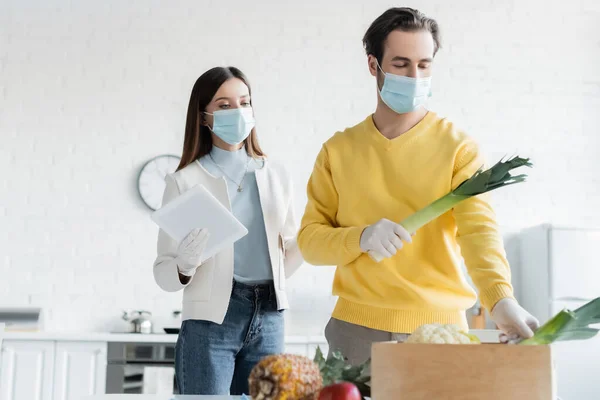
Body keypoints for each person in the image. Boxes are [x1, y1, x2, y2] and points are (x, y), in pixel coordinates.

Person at [297, 7, 539, 365]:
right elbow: (310, 242)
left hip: (440, 334)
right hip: (354, 331)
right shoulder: (338, 151)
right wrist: (361, 237)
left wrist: (500, 300)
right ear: (372, 65)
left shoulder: (458, 148)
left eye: (424, 65)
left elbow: (479, 233)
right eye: (400, 64)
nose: (414, 76)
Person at [153, 66, 303, 395]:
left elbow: (288, 260)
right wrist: (184, 265)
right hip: (210, 323)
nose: (238, 112)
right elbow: (163, 273)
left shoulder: (276, 175)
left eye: (244, 102)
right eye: (223, 105)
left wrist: (310, 240)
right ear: (204, 117)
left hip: (270, 317)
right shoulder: (184, 181)